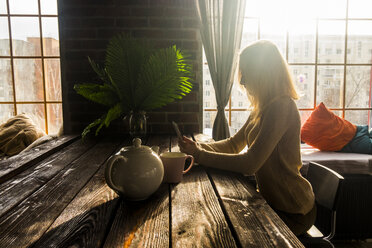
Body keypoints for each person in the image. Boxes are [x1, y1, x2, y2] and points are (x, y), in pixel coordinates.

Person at [178, 40, 316, 236]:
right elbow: (234, 144)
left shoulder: (282, 107)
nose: (242, 82)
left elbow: (250, 163)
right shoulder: (263, 107)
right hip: (273, 203)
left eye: (246, 74)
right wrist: (196, 146)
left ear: (263, 73)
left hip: (293, 209)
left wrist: (199, 154)